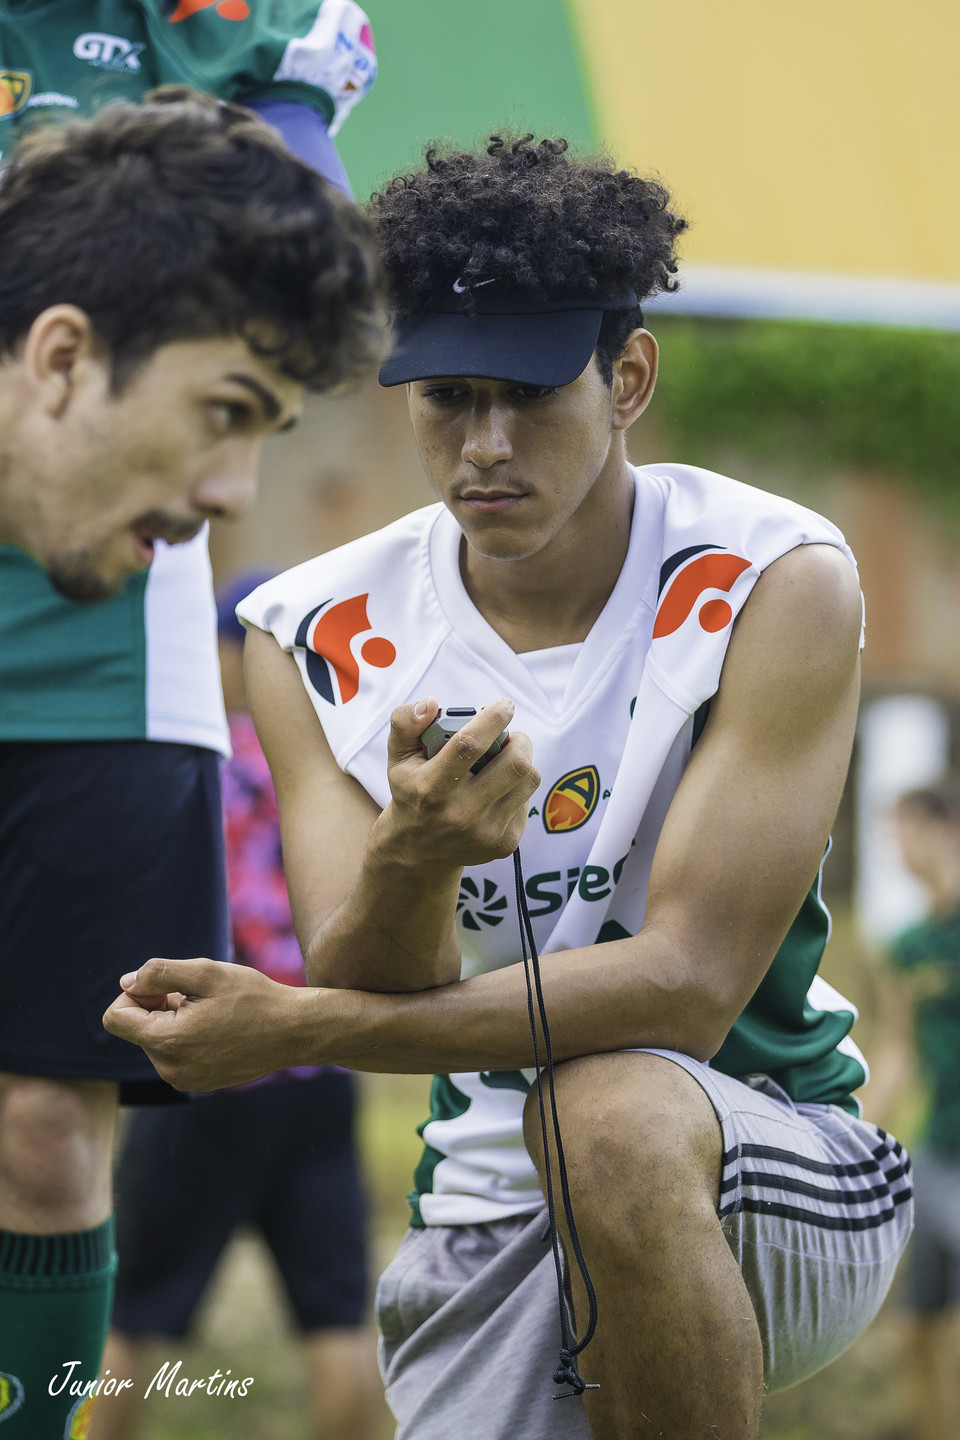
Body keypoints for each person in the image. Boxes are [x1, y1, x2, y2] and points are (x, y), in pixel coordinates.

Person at [106, 134, 913, 1440]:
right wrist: (416, 855)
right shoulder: (307, 632)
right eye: (445, 397)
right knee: (570, 1128)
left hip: (773, 1162)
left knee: (608, 1108)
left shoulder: (773, 576)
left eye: (531, 395)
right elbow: (372, 973)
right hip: (484, 1210)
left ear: (629, 376)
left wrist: (300, 1028)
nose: (484, 444)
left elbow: (689, 990)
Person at [0, 92, 384, 1437]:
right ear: (58, 357)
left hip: (108, 688)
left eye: (262, 431)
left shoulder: (170, 586)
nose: (235, 494)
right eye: (224, 411)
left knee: (45, 1136)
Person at [89, 572, 383, 1440]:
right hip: (321, 1060)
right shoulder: (339, 767)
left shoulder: (192, 763)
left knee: (129, 1316)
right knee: (336, 1320)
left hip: (209, 1063)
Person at [870, 782, 960, 1440]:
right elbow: (897, 1050)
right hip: (937, 1152)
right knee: (917, 1329)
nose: (897, 848)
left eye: (904, 830)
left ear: (942, 831)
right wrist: (855, 1137)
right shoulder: (907, 945)